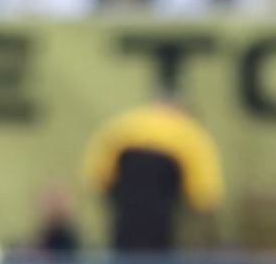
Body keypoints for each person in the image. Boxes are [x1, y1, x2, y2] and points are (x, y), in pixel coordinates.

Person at [81, 94, 224, 251]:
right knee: (158, 255)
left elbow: (98, 174)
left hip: (126, 208)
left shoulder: (126, 124)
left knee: (126, 250)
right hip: (162, 210)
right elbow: (204, 194)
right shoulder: (191, 133)